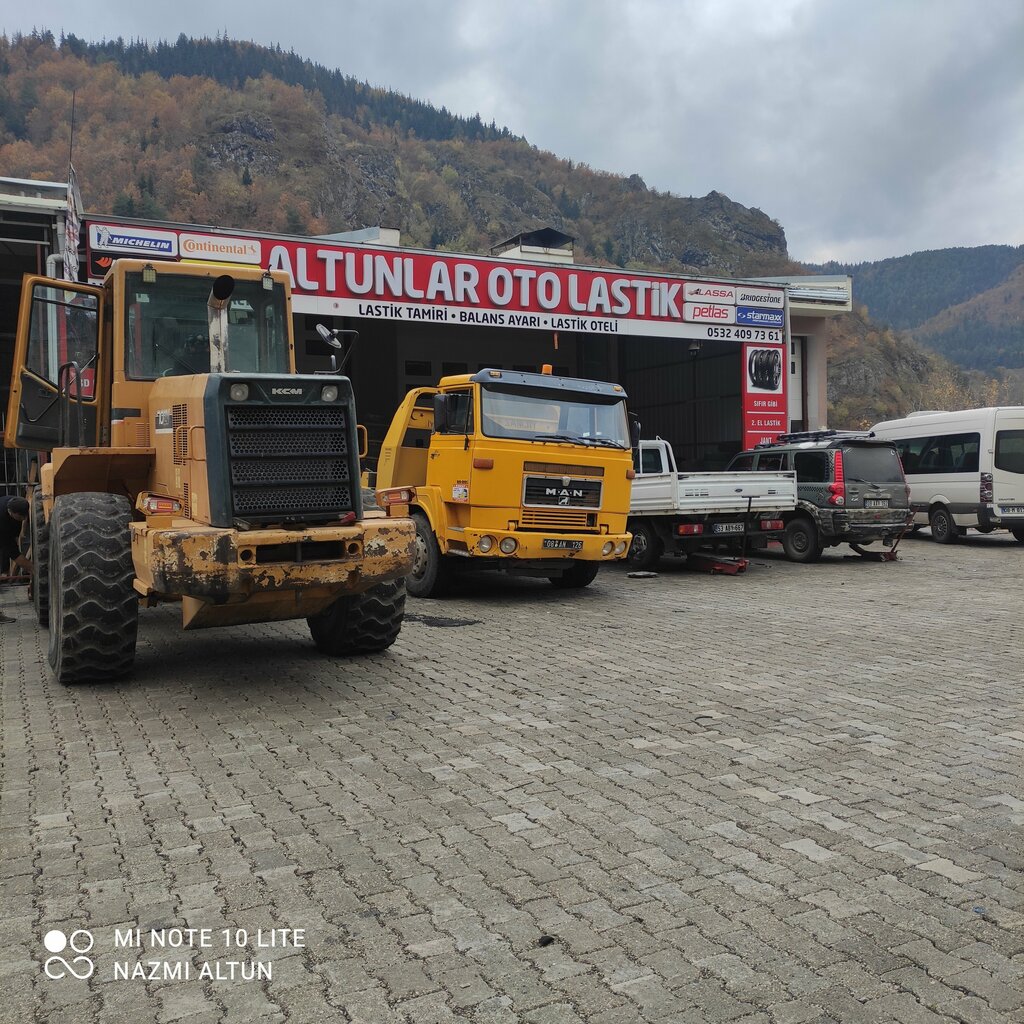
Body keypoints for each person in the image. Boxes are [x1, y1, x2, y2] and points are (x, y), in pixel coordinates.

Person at [0, 495, 31, 624]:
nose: (24, 519)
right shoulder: (2, 520)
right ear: (12, 513)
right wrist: (32, 567)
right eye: (21, 518)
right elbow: (11, 550)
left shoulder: (18, 502)